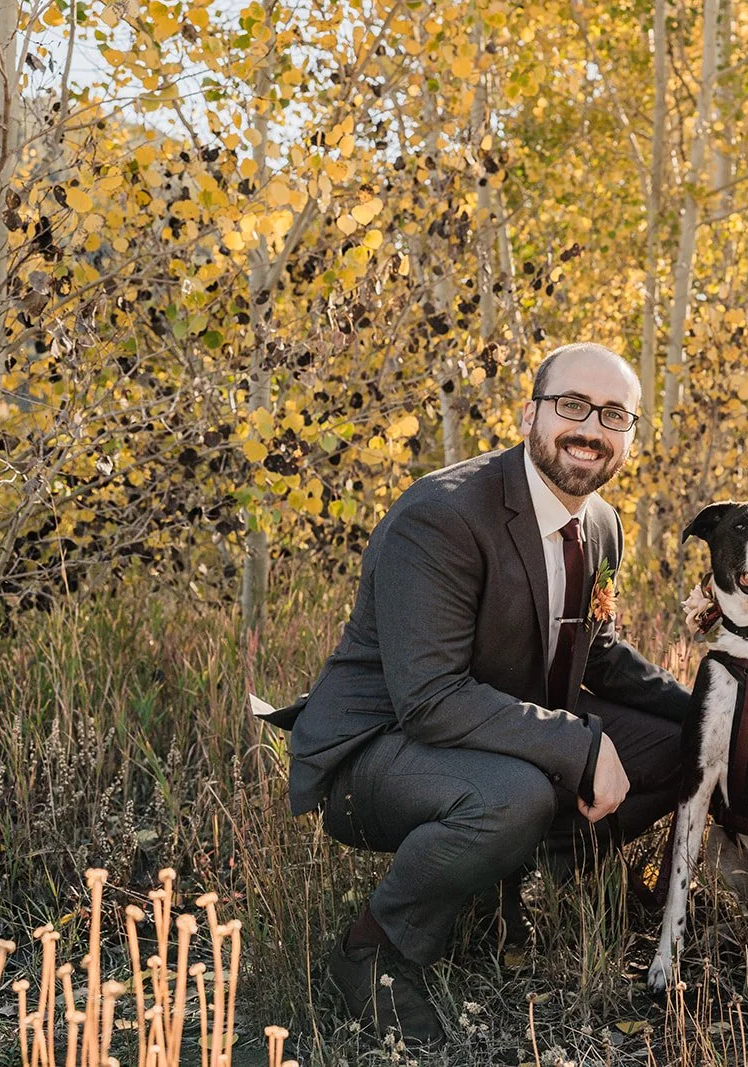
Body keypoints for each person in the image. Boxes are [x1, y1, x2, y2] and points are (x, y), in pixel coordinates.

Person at [286, 343, 690, 1046]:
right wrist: (580, 742)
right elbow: (430, 697)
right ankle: (372, 952)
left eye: (613, 414)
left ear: (630, 432)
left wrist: (718, 714)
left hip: (493, 735)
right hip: (381, 751)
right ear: (529, 412)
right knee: (515, 796)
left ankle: (522, 877)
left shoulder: (600, 523)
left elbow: (597, 650)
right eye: (572, 406)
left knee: (689, 745)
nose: (591, 428)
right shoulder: (442, 516)